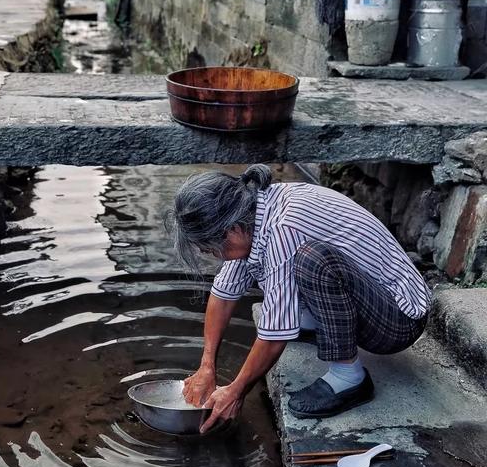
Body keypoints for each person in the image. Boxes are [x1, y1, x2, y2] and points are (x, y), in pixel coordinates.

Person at [168, 164, 430, 433]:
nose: (210, 253)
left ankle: (349, 377)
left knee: (312, 260)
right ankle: (312, 322)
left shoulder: (285, 227)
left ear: (232, 229)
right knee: (280, 265)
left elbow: (274, 335)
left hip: (398, 319)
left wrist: (236, 390)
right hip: (369, 299)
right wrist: (206, 365)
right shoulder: (253, 215)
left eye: (209, 247)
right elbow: (223, 295)